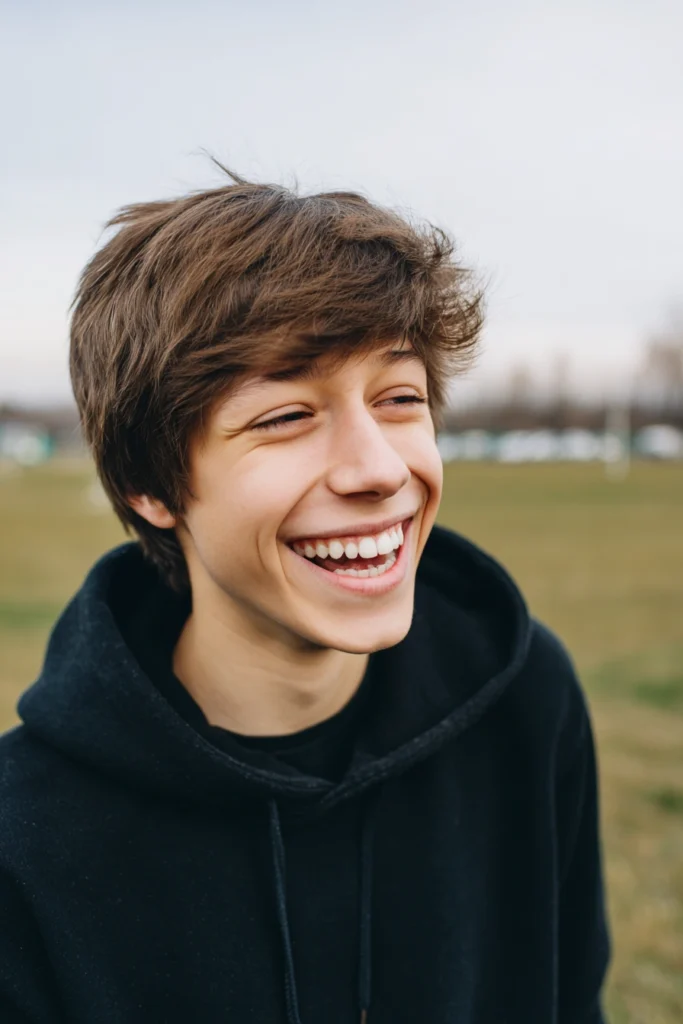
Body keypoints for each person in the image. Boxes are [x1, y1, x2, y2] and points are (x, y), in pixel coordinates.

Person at [0, 167, 611, 1023]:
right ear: (151, 484)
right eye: (285, 416)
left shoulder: (523, 701)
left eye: (398, 399)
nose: (378, 469)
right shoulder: (25, 841)